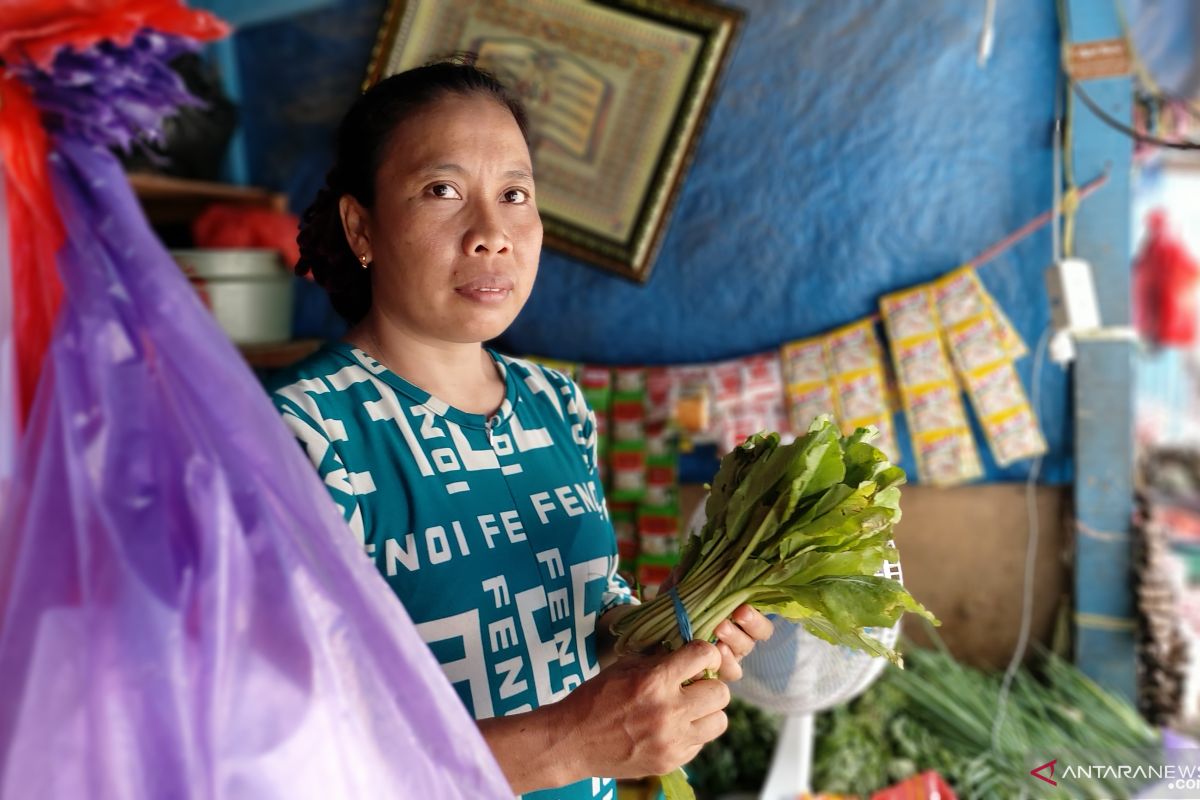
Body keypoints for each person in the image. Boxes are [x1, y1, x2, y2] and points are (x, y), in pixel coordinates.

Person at [269, 57, 774, 799]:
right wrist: (572, 742)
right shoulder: (305, 434)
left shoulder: (555, 403)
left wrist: (670, 629)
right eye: (443, 191)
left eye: (515, 194)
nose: (492, 233)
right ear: (361, 226)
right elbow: (291, 755)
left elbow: (585, 618)